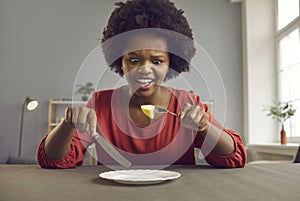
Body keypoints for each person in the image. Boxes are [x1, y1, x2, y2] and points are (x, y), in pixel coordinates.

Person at [38, 0, 246, 168]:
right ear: (120, 61)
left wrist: (204, 126)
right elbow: (53, 160)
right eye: (134, 60)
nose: (145, 69)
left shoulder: (188, 103)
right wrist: (67, 124)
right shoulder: (100, 104)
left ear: (170, 63)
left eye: (157, 61)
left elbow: (234, 157)